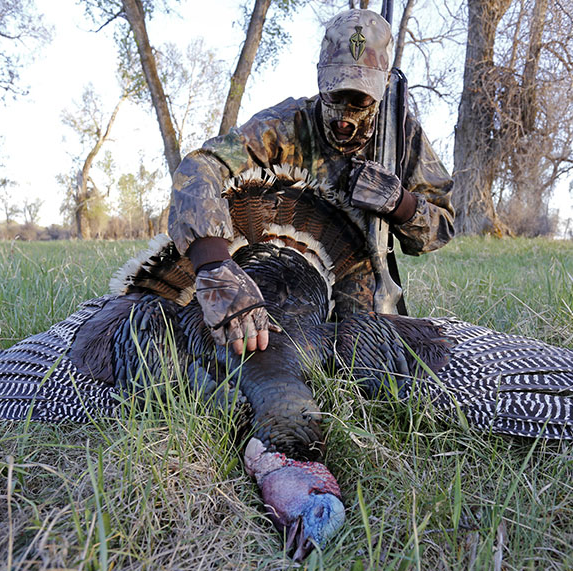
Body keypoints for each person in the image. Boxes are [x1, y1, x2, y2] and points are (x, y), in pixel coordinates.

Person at [168, 8, 455, 355]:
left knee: (369, 362)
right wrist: (214, 265)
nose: (345, 118)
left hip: (356, 287)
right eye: (335, 95)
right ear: (320, 79)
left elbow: (442, 227)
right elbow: (200, 166)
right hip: (280, 284)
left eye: (360, 100)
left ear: (381, 90)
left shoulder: (402, 136)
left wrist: (400, 204)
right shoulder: (283, 125)